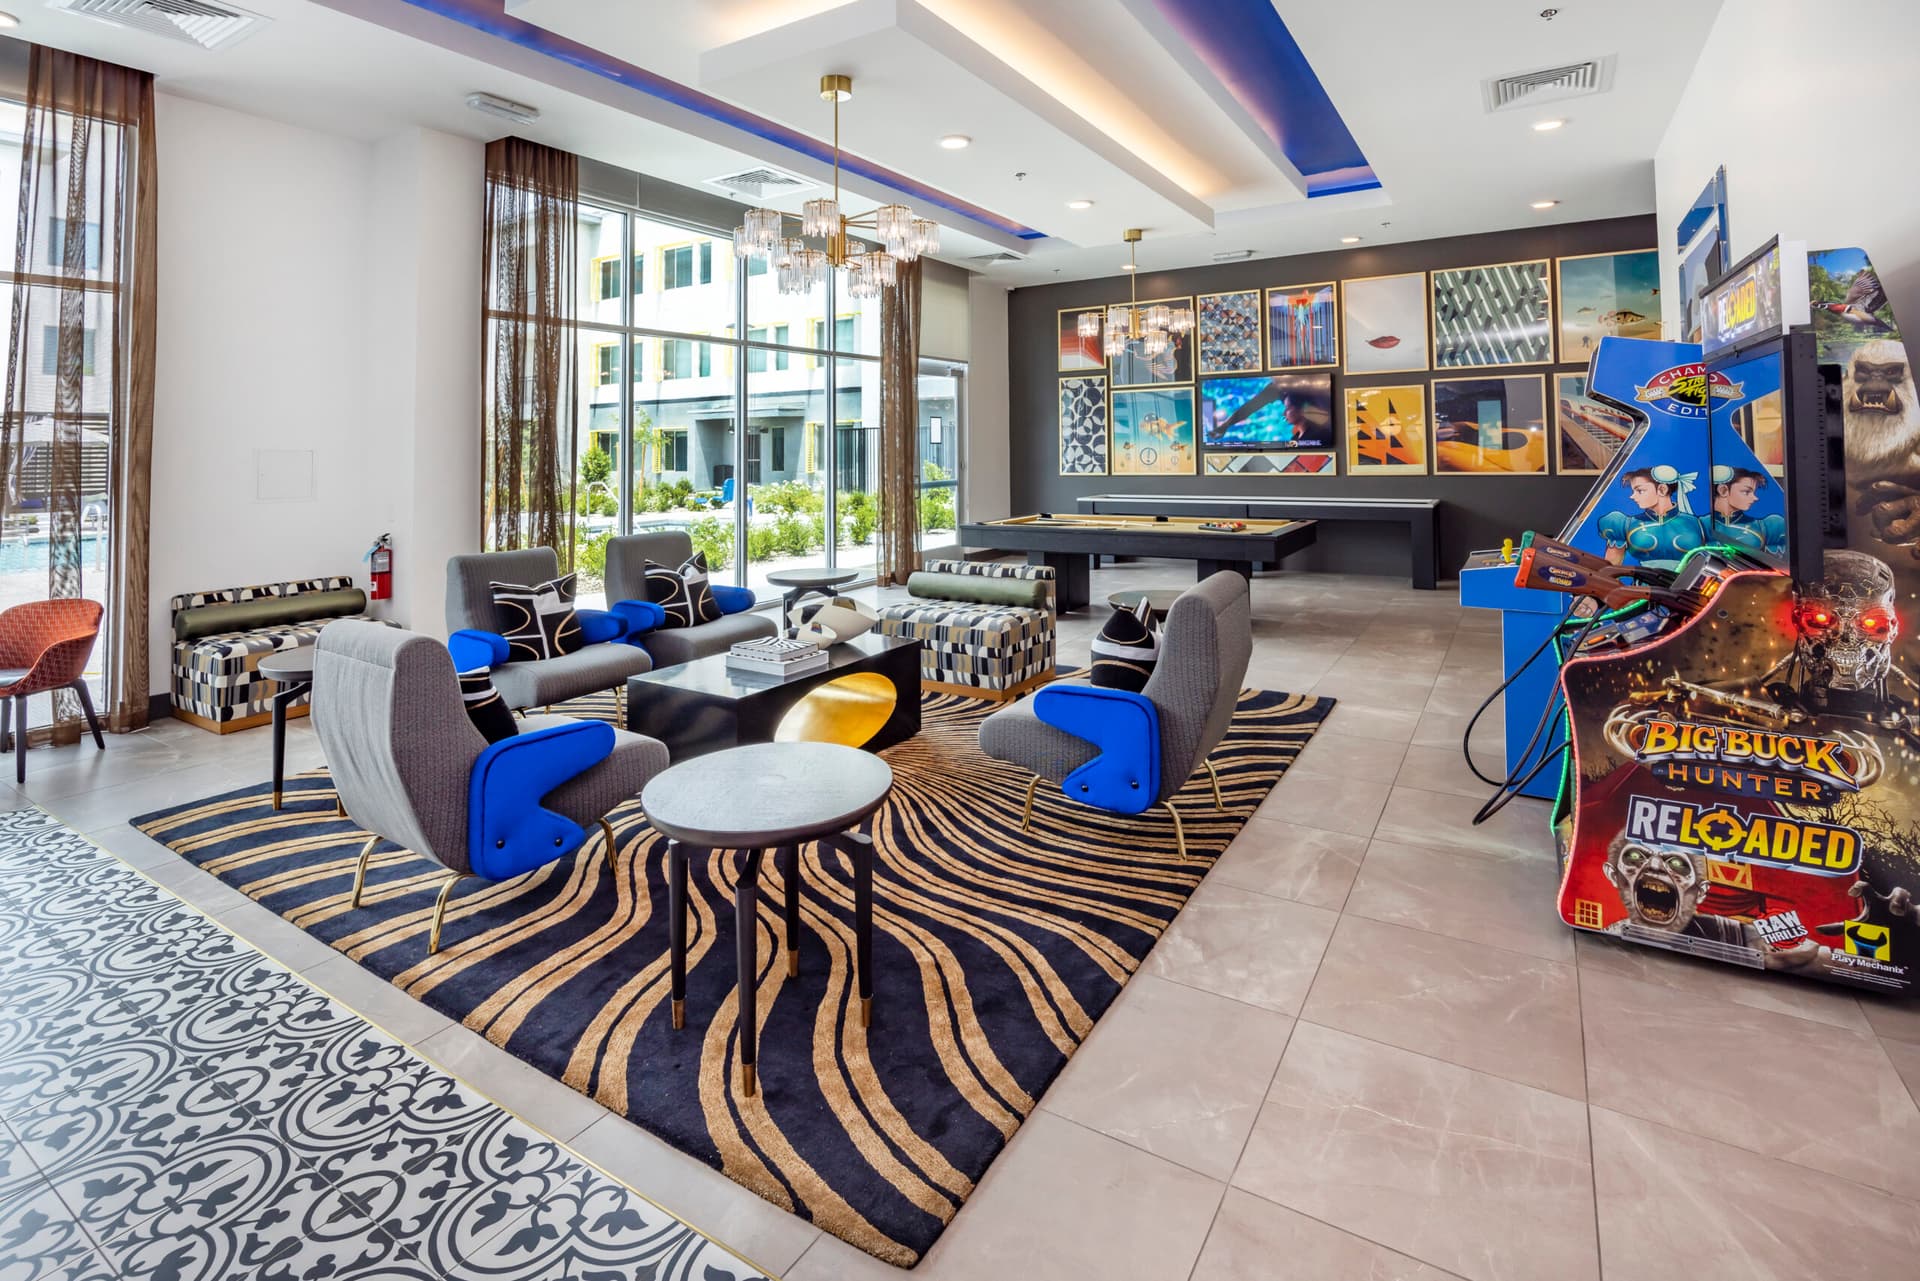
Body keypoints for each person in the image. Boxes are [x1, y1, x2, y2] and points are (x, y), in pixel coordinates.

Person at [1599, 464, 1704, 569]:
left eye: (1640, 491)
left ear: (1662, 489)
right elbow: (1610, 570)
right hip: (1643, 580)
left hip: (1690, 579)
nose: (1632, 496)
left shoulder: (1700, 525)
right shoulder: (1625, 524)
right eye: (1633, 491)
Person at [1706, 464, 1787, 556]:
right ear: (1723, 490)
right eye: (1746, 492)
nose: (1755, 498)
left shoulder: (1766, 526)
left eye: (1753, 492)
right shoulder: (1700, 525)